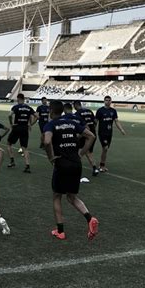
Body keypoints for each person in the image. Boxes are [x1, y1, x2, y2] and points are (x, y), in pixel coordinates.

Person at [44, 100, 99, 241]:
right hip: (76, 163)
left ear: (51, 111)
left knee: (57, 196)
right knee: (71, 197)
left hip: (62, 163)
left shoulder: (51, 124)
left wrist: (51, 157)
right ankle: (89, 218)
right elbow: (91, 136)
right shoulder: (72, 123)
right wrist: (81, 153)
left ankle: (60, 231)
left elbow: (47, 141)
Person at [95, 96, 126, 172]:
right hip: (102, 133)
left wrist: (121, 129)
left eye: (109, 100)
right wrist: (92, 131)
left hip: (109, 133)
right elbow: (95, 122)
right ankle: (101, 166)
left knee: (105, 149)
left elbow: (116, 121)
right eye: (106, 100)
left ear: (111, 101)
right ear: (104, 101)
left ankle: (103, 165)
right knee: (105, 148)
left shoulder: (113, 111)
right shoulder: (100, 111)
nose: (108, 102)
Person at [7, 93, 36, 173]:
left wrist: (11, 124)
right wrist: (30, 124)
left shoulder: (16, 107)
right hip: (25, 128)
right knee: (24, 148)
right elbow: (37, 116)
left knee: (9, 144)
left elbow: (10, 115)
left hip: (17, 127)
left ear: (18, 98)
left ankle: (12, 161)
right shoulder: (28, 107)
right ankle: (27, 166)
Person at [74, 101, 99, 176]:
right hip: (93, 134)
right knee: (88, 152)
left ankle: (75, 168)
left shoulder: (77, 114)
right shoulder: (89, 111)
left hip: (84, 135)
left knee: (79, 151)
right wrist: (93, 129)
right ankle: (94, 168)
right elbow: (95, 121)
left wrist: (78, 136)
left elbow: (78, 126)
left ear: (75, 106)